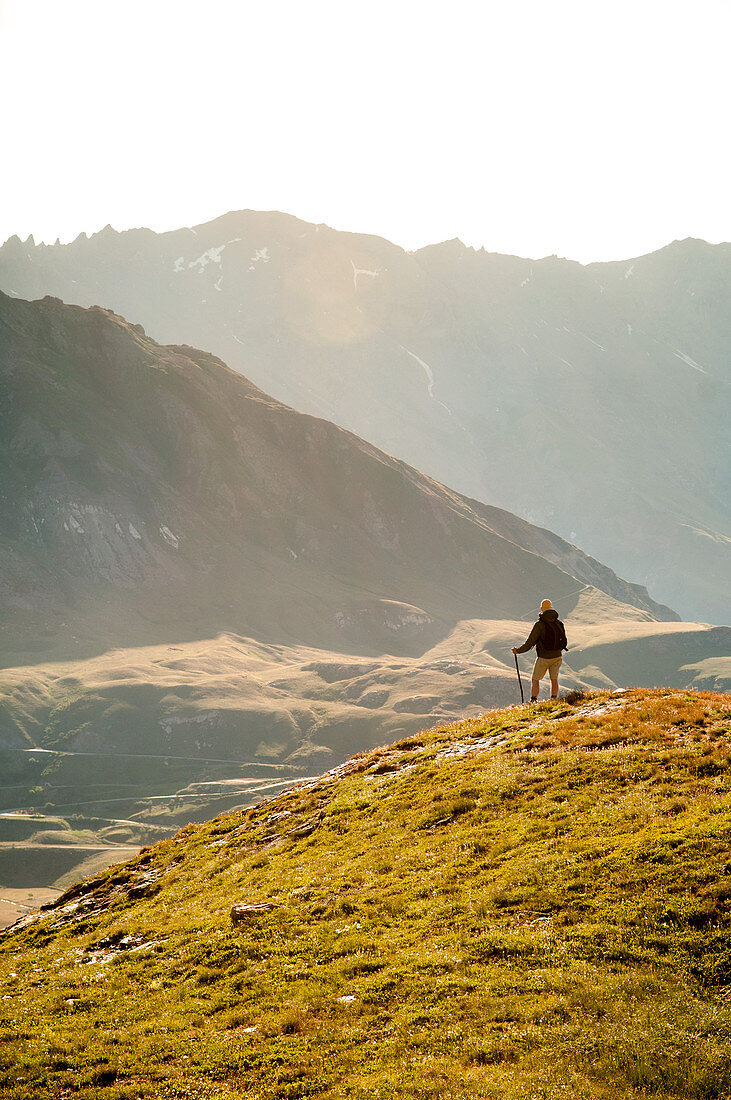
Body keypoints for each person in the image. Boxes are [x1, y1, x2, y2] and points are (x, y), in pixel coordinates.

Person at [512, 598, 567, 702]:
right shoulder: (559, 623)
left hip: (544, 657)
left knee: (535, 679)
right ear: (551, 608)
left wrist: (518, 651)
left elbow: (530, 642)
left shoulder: (540, 624)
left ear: (542, 609)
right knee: (554, 679)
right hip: (558, 656)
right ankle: (553, 699)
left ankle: (533, 700)